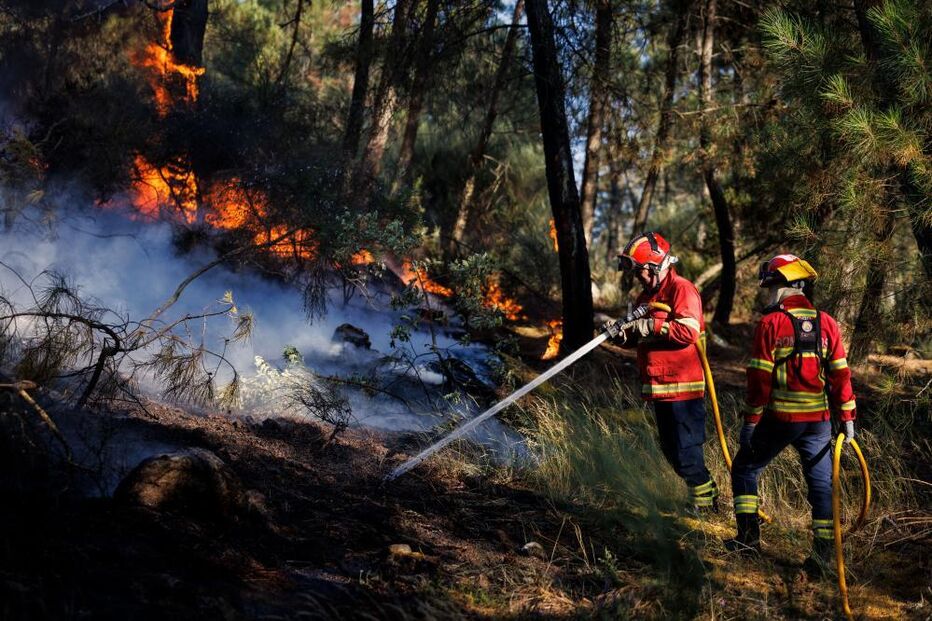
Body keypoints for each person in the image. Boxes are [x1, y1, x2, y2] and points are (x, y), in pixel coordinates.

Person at [727, 254, 857, 575]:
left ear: (784, 286)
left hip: (781, 419)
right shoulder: (827, 322)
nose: (769, 294)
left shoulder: (771, 324)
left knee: (745, 467)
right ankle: (823, 557)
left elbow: (759, 380)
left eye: (771, 287)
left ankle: (747, 541)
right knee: (822, 488)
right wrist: (848, 417)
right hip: (820, 423)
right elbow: (840, 374)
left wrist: (750, 423)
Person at [614, 231, 719, 512]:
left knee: (686, 452)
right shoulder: (645, 298)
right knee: (670, 450)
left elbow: (688, 331)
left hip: (683, 388)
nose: (638, 277)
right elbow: (639, 336)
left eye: (641, 271)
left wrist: (651, 326)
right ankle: (702, 495)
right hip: (660, 388)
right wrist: (621, 335)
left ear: (656, 265)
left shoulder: (682, 289)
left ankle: (705, 505)